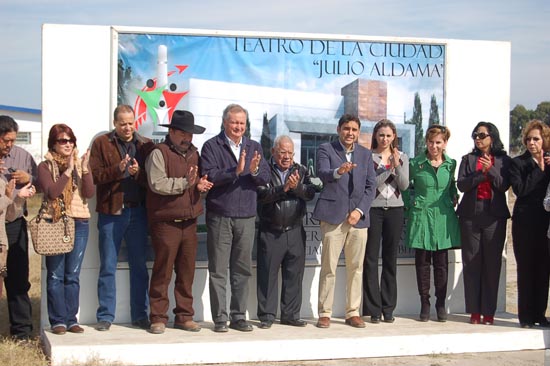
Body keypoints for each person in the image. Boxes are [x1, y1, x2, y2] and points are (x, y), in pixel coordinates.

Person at [201, 103, 270, 332]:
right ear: (225, 123)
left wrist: (254, 170)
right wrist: (236, 172)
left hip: (247, 216)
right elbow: (209, 174)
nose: (238, 127)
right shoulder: (212, 145)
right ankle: (220, 319)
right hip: (220, 215)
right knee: (219, 270)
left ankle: (238, 316)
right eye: (234, 122)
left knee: (242, 270)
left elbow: (266, 177)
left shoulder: (254, 147)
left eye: (242, 123)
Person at [145, 110, 213, 334]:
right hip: (166, 222)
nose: (188, 138)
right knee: (162, 272)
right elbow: (157, 184)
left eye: (190, 134)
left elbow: (196, 183)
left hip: (190, 221)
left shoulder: (195, 153)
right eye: (183, 133)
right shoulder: (158, 153)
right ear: (171, 131)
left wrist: (200, 186)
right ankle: (158, 317)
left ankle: (184, 316)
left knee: (186, 272)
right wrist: (186, 183)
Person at [89, 105, 154, 331]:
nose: (127, 127)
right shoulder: (101, 143)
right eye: (123, 123)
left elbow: (152, 181)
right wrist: (118, 169)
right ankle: (105, 316)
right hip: (111, 212)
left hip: (137, 212)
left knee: (139, 266)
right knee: (108, 264)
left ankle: (140, 314)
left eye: (130, 122)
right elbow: (95, 176)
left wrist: (138, 174)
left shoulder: (145, 145)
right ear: (115, 123)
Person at [312, 113, 376, 329]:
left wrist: (359, 210)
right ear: (339, 129)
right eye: (346, 128)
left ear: (358, 132)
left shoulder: (366, 154)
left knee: (356, 267)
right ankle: (325, 312)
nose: (350, 133)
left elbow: (371, 187)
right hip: (333, 216)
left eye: (354, 130)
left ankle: (352, 312)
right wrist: (338, 171)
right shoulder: (326, 149)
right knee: (329, 266)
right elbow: (322, 172)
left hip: (358, 219)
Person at [37, 124, 95, 335]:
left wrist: (85, 169)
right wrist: (68, 171)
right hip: (56, 223)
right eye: (63, 140)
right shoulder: (46, 166)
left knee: (72, 275)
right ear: (53, 143)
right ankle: (58, 321)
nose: (68, 144)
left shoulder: (80, 164)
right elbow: (52, 192)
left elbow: (88, 192)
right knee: (55, 274)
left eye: (71, 140)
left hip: (79, 222)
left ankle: (72, 319)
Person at [256, 135, 316, 329]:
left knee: (294, 275)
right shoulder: (265, 169)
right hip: (271, 231)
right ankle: (266, 316)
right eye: (283, 152)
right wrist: (285, 188)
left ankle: (290, 315)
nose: (287, 156)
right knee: (267, 275)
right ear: (274, 152)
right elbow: (262, 195)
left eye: (290, 153)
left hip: (295, 230)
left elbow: (310, 193)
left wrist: (296, 187)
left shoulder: (301, 170)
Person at [457, 122, 511, 326]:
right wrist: (481, 174)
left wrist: (492, 171)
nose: (478, 138)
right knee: (471, 263)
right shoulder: (468, 159)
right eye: (475, 135)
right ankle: (474, 311)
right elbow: (462, 184)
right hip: (471, 215)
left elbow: (504, 185)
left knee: (492, 264)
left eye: (482, 135)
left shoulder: (504, 161)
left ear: (492, 137)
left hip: (494, 216)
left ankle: (489, 311)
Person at [405, 124, 460, 322]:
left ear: (445, 143)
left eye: (438, 142)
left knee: (441, 264)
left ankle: (440, 303)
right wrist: (408, 207)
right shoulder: (415, 163)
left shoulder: (451, 164)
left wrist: (454, 196)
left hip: (443, 217)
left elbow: (452, 186)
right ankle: (425, 303)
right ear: (425, 142)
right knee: (422, 263)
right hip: (421, 216)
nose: (434, 146)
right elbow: (404, 186)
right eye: (430, 142)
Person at [362, 119, 409, 324]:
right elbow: (371, 185)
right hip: (373, 209)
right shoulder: (367, 157)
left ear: (394, 137)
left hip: (396, 210)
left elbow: (405, 185)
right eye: (381, 135)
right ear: (375, 136)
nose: (385, 139)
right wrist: (388, 169)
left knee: (390, 259)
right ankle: (373, 308)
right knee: (371, 259)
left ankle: (388, 308)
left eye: (389, 135)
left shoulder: (402, 157)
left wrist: (397, 166)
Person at [0, 115, 38, 340]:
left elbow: (41, 182)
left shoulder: (22, 156)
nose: (10, 145)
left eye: (13, 140)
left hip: (14, 224)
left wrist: (29, 177)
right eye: (5, 141)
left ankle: (22, 332)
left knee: (18, 278)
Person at [511, 119, 550, 328]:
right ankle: (525, 317)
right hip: (524, 222)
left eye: (536, 139)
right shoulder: (518, 163)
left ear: (544, 140)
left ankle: (540, 314)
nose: (532, 143)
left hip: (545, 223)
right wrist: (538, 169)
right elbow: (520, 190)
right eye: (528, 139)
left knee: (543, 270)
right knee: (525, 269)